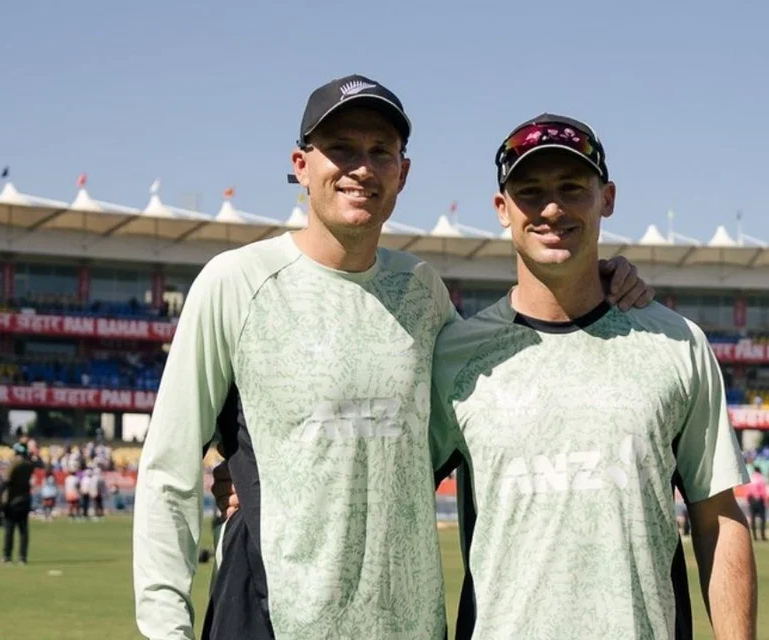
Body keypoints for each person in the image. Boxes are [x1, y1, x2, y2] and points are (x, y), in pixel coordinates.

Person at [133, 74, 654, 640]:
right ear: (301, 165)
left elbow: (500, 389)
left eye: (381, 151)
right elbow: (169, 467)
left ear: (402, 173)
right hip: (271, 617)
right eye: (341, 149)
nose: (361, 167)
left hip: (408, 624)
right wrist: (166, 628)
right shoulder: (237, 282)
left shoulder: (423, 293)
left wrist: (589, 279)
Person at [428, 113, 757, 639]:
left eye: (572, 188)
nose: (552, 208)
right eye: (530, 191)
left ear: (607, 198)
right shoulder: (455, 355)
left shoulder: (676, 344)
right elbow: (387, 493)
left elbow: (717, 517)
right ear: (502, 210)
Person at [0, 443, 34, 565]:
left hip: (12, 500)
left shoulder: (14, 464)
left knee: (9, 530)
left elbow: (6, 481)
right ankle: (22, 557)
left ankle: (7, 556)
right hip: (25, 499)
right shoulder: (29, 464)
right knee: (23, 531)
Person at [746, 465, 769, 542]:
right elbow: (763, 491)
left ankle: (754, 536)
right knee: (762, 518)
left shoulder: (750, 478)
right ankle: (762, 536)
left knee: (752, 518)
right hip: (759, 500)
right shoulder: (761, 478)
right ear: (760, 471)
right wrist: (766, 501)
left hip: (751, 499)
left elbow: (747, 491)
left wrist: (748, 501)